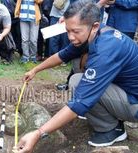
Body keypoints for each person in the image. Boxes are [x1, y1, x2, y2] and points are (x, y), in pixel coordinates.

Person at [16, 0, 138, 152]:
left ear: (93, 26)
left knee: (77, 83)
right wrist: (35, 70)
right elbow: (62, 55)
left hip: (134, 103)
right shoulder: (95, 33)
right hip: (126, 90)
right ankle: (106, 117)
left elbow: (80, 102)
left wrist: (38, 133)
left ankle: (111, 130)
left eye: (75, 31)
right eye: (67, 31)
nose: (71, 37)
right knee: (78, 79)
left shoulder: (106, 49)